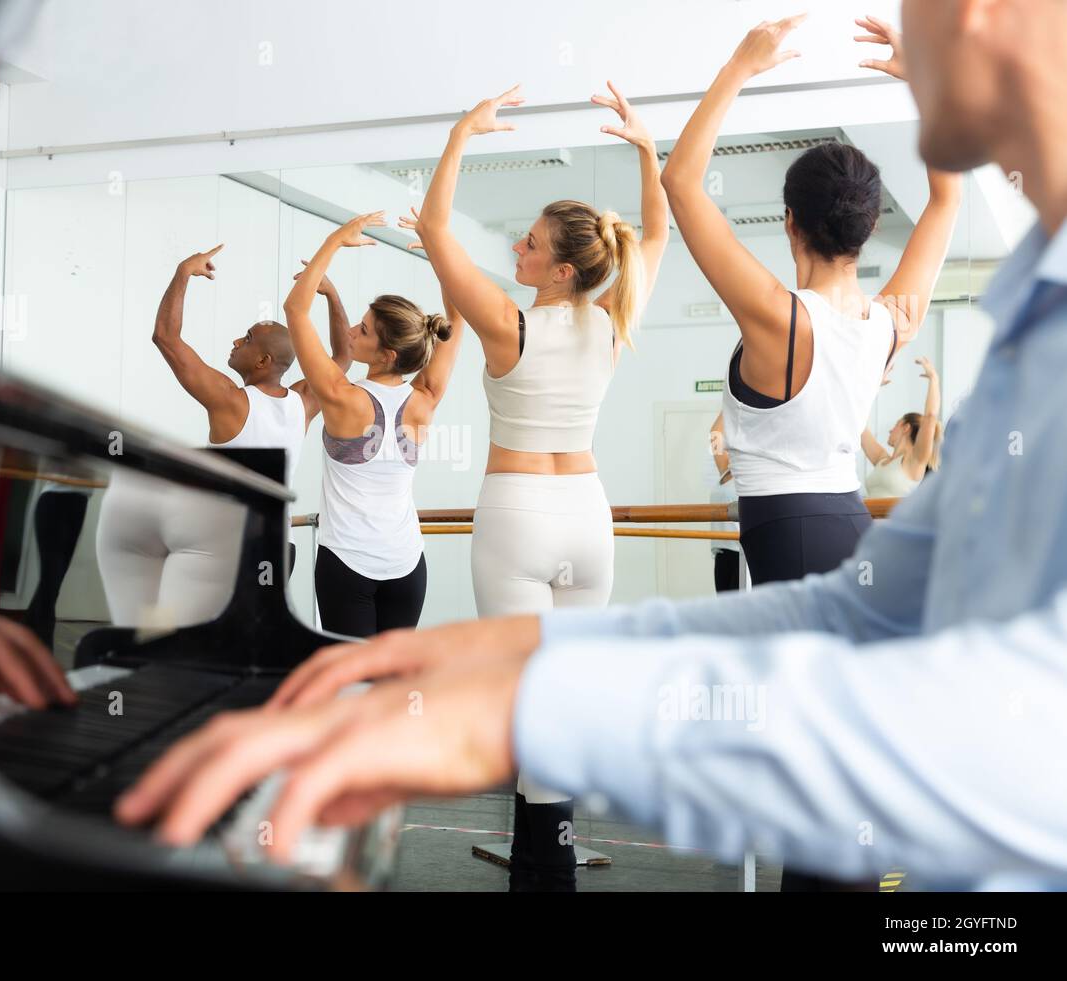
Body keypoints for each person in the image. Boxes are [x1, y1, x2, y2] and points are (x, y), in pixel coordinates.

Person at [115, 4, 1067, 890]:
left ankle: (550, 848)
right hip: (657, 521)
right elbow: (868, 615)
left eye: (529, 241)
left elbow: (974, 732)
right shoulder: (681, 320)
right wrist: (527, 667)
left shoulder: (742, 324)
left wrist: (534, 698)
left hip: (561, 515)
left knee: (818, 820)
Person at [399, 81, 669, 890]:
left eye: (528, 242)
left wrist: (460, 133)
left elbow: (434, 228)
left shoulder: (510, 324)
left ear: (555, 269)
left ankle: (543, 866)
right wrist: (649, 152)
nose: (517, 247)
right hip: (587, 519)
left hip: (516, 518)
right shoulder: (614, 316)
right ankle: (547, 857)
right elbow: (659, 229)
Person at [661, 13, 961, 598]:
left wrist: (739, 69)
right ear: (870, 226)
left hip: (791, 532)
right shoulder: (891, 321)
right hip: (849, 521)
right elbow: (947, 197)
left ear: (789, 222)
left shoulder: (780, 316)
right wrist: (925, 86)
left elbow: (681, 181)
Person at [95, 247, 350, 627]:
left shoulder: (230, 400)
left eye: (246, 339)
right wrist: (331, 295)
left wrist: (183, 272)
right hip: (278, 549)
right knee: (253, 650)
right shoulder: (304, 402)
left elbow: (166, 337)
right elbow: (344, 355)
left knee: (202, 648)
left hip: (224, 552)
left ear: (264, 361)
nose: (236, 341)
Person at [285, 213, 463, 638]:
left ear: (384, 355)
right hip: (408, 567)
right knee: (391, 685)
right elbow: (458, 323)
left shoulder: (340, 396)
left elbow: (295, 309)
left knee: (352, 684)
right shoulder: (426, 398)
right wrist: (441, 257)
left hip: (347, 566)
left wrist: (334, 242)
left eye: (362, 331)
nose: (350, 332)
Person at [862, 356, 943, 497]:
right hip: (870, 518)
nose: (890, 430)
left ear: (906, 427)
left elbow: (930, 418)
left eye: (895, 425)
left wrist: (934, 380)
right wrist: (873, 385)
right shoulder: (882, 459)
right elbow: (859, 425)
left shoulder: (915, 461)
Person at [707, 412, 741, 593]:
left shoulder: (750, 477)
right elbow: (715, 432)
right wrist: (728, 404)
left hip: (742, 554)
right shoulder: (725, 471)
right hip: (722, 552)